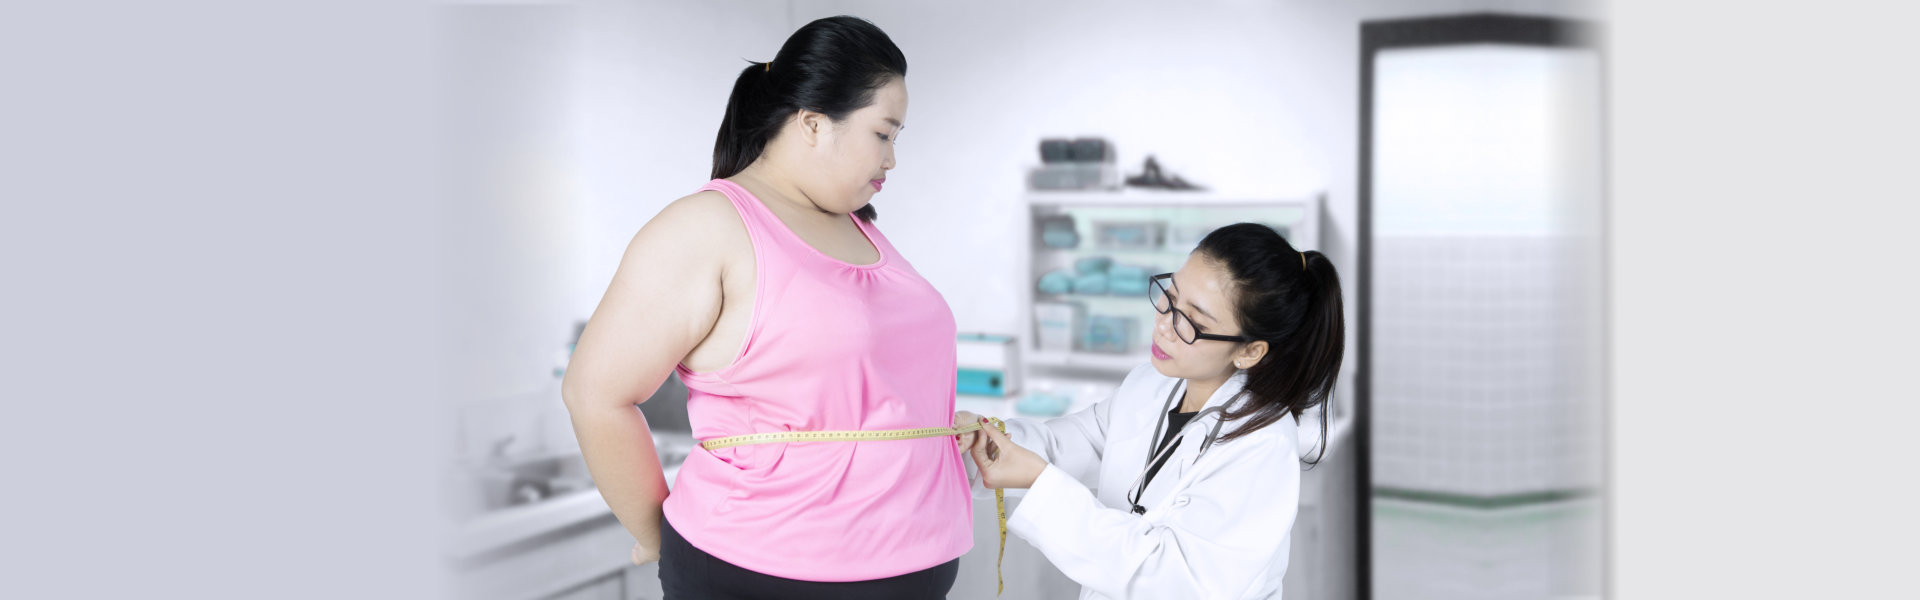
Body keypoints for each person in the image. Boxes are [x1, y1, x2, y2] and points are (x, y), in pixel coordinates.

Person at [561, 15, 969, 599]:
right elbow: (594, 394)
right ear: (812, 123)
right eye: (884, 134)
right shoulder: (708, 227)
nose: (892, 159)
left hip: (919, 561)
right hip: (758, 569)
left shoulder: (860, 228)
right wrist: (656, 534)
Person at [959, 223, 1345, 599]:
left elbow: (1174, 579)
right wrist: (985, 441)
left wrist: (1040, 483)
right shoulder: (1150, 386)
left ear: (1249, 351)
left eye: (1192, 321)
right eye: (1170, 296)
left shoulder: (1262, 446)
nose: (1163, 324)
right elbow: (1067, 444)